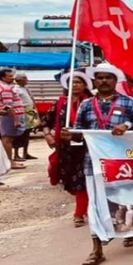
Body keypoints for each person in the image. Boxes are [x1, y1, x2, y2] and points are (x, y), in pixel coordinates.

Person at [62, 63, 133, 265]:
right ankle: (97, 249)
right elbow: (79, 132)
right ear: (95, 81)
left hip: (121, 163)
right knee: (95, 206)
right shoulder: (86, 105)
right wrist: (69, 134)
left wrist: (127, 126)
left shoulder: (128, 102)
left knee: (126, 199)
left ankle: (130, 233)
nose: (103, 81)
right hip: (92, 164)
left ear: (114, 80)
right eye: (100, 77)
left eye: (108, 77)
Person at [42, 71, 93, 227]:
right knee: (72, 180)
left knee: (83, 180)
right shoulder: (60, 103)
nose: (75, 85)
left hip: (88, 148)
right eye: (72, 82)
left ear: (85, 85)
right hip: (66, 149)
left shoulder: (92, 103)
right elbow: (46, 122)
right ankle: (84, 207)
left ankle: (79, 213)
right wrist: (48, 136)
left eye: (78, 82)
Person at [0, 68, 25, 170]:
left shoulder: (5, 87)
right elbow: (8, 106)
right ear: (3, 77)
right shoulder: (5, 88)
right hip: (9, 117)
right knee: (7, 140)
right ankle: (10, 162)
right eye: (9, 76)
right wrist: (15, 119)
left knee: (7, 139)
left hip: (8, 116)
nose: (12, 78)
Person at [12, 73, 38, 161]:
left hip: (29, 112)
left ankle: (25, 153)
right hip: (22, 112)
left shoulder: (25, 89)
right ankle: (16, 154)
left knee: (27, 134)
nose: (27, 80)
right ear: (18, 80)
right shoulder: (15, 89)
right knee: (20, 134)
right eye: (25, 79)